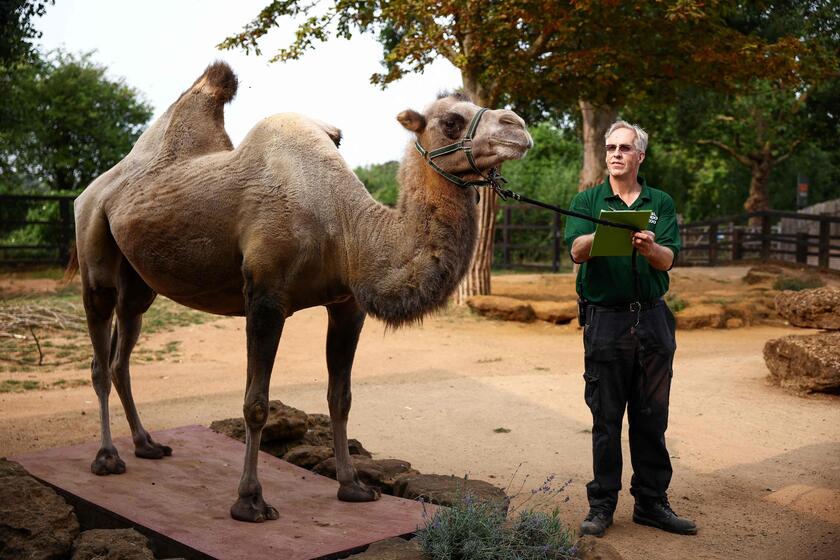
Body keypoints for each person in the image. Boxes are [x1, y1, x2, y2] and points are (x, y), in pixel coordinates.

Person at [564, 121, 697, 537]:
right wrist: (602, 235)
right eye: (610, 148)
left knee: (652, 416)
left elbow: (668, 260)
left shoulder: (661, 202)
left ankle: (652, 503)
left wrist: (650, 246)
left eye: (624, 148)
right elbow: (575, 250)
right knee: (606, 418)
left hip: (653, 319)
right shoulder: (588, 200)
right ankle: (601, 505)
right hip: (606, 321)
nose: (615, 154)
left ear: (640, 155)